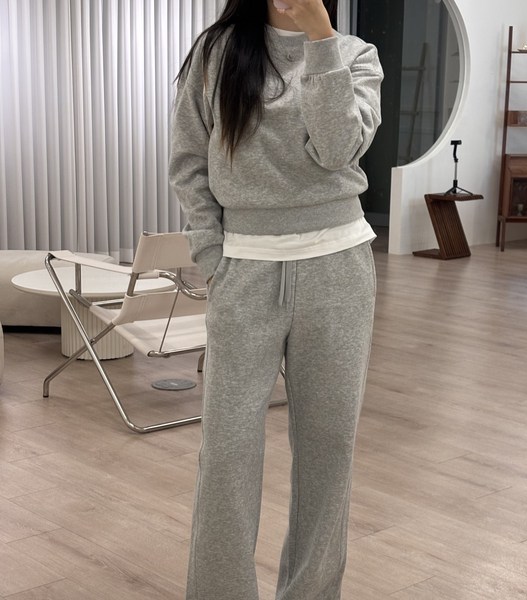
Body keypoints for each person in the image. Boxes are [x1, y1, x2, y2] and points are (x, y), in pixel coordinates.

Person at [169, 0, 383, 598]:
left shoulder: (355, 55)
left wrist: (321, 39)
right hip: (245, 270)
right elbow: (189, 161)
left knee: (328, 452)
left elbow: (337, 149)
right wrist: (213, 255)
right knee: (227, 451)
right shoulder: (216, 53)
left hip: (339, 267)